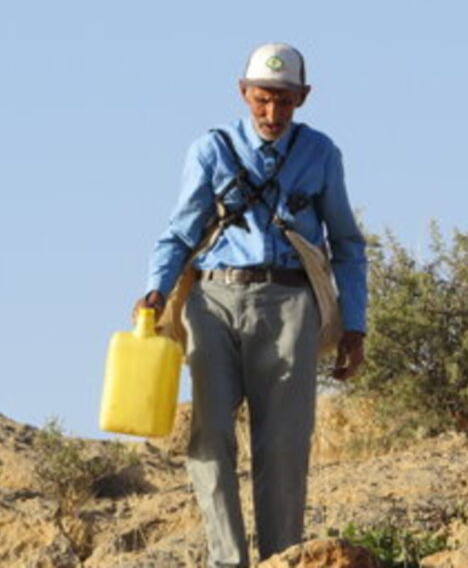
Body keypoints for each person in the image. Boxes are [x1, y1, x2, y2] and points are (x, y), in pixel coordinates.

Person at [134, 42, 367, 567]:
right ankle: (226, 558)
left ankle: (281, 558)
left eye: (284, 101)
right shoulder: (210, 150)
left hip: (290, 304)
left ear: (303, 98)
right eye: (262, 99)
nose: (272, 113)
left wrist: (355, 325)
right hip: (213, 301)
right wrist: (155, 287)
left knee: (283, 445)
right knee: (210, 433)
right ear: (243, 93)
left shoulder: (321, 154)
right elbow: (180, 230)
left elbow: (348, 244)